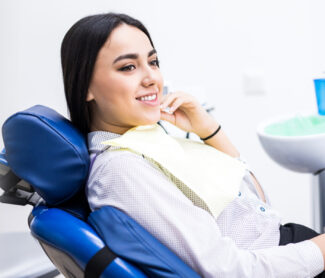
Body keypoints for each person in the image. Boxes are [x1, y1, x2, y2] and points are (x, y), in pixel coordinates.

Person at [61, 12, 325, 277]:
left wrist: (208, 130)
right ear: (85, 86)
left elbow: (259, 208)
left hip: (288, 251)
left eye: (153, 62)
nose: (151, 77)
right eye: (128, 67)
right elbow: (227, 270)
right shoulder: (122, 169)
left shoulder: (145, 139)